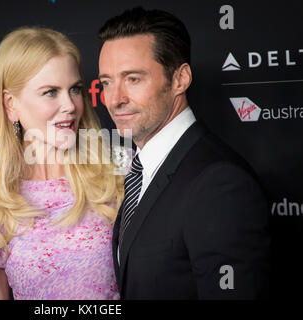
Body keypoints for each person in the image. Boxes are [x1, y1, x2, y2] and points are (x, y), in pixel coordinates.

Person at [98, 7, 271, 299]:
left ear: (180, 79)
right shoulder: (140, 169)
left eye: (133, 79)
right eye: (106, 83)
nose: (115, 100)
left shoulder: (220, 184)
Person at [0, 27, 124, 300]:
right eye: (50, 92)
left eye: (75, 89)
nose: (70, 105)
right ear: (11, 105)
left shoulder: (115, 174)